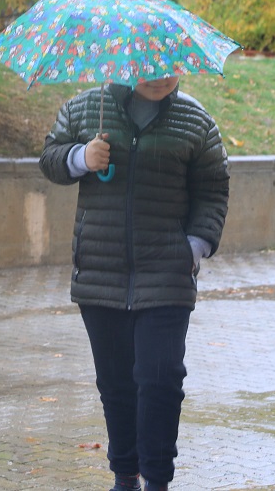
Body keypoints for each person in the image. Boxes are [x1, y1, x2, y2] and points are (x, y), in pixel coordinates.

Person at [39, 76, 230, 491]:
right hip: (100, 272)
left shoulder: (196, 120)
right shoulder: (86, 109)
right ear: (126, 63)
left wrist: (193, 247)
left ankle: (158, 481)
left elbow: (214, 188)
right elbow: (49, 159)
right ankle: (125, 476)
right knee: (116, 383)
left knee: (161, 379)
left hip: (166, 274)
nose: (162, 76)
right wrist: (80, 157)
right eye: (150, 66)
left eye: (169, 66)